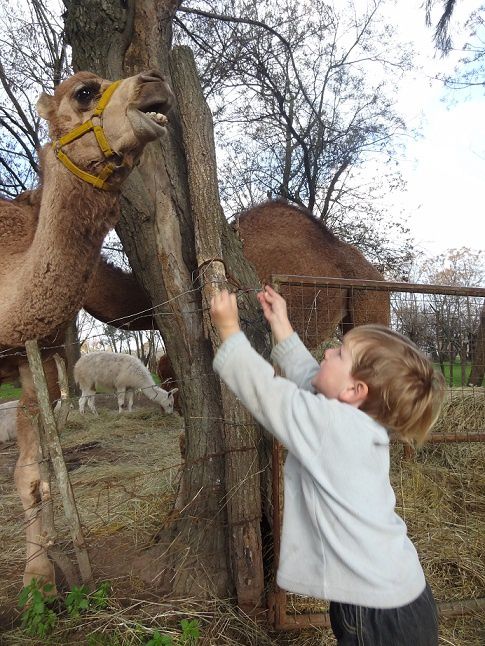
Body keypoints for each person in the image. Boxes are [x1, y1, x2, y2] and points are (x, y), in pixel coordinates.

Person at [210, 285, 445, 646]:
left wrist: (229, 331)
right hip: (400, 597)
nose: (328, 350)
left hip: (375, 613)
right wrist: (282, 326)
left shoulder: (335, 427)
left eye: (339, 352)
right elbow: (313, 381)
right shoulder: (356, 422)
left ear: (356, 391)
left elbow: (269, 393)